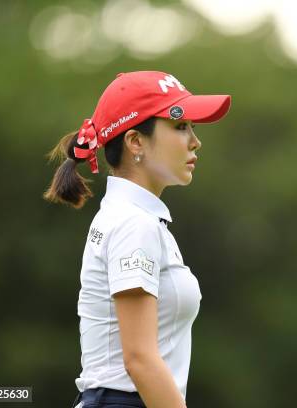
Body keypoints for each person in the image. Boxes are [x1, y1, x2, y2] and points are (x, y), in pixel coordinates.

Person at [43, 70, 231, 408]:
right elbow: (140, 360)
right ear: (135, 142)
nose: (195, 141)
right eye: (180, 126)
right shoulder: (133, 224)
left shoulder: (138, 218)